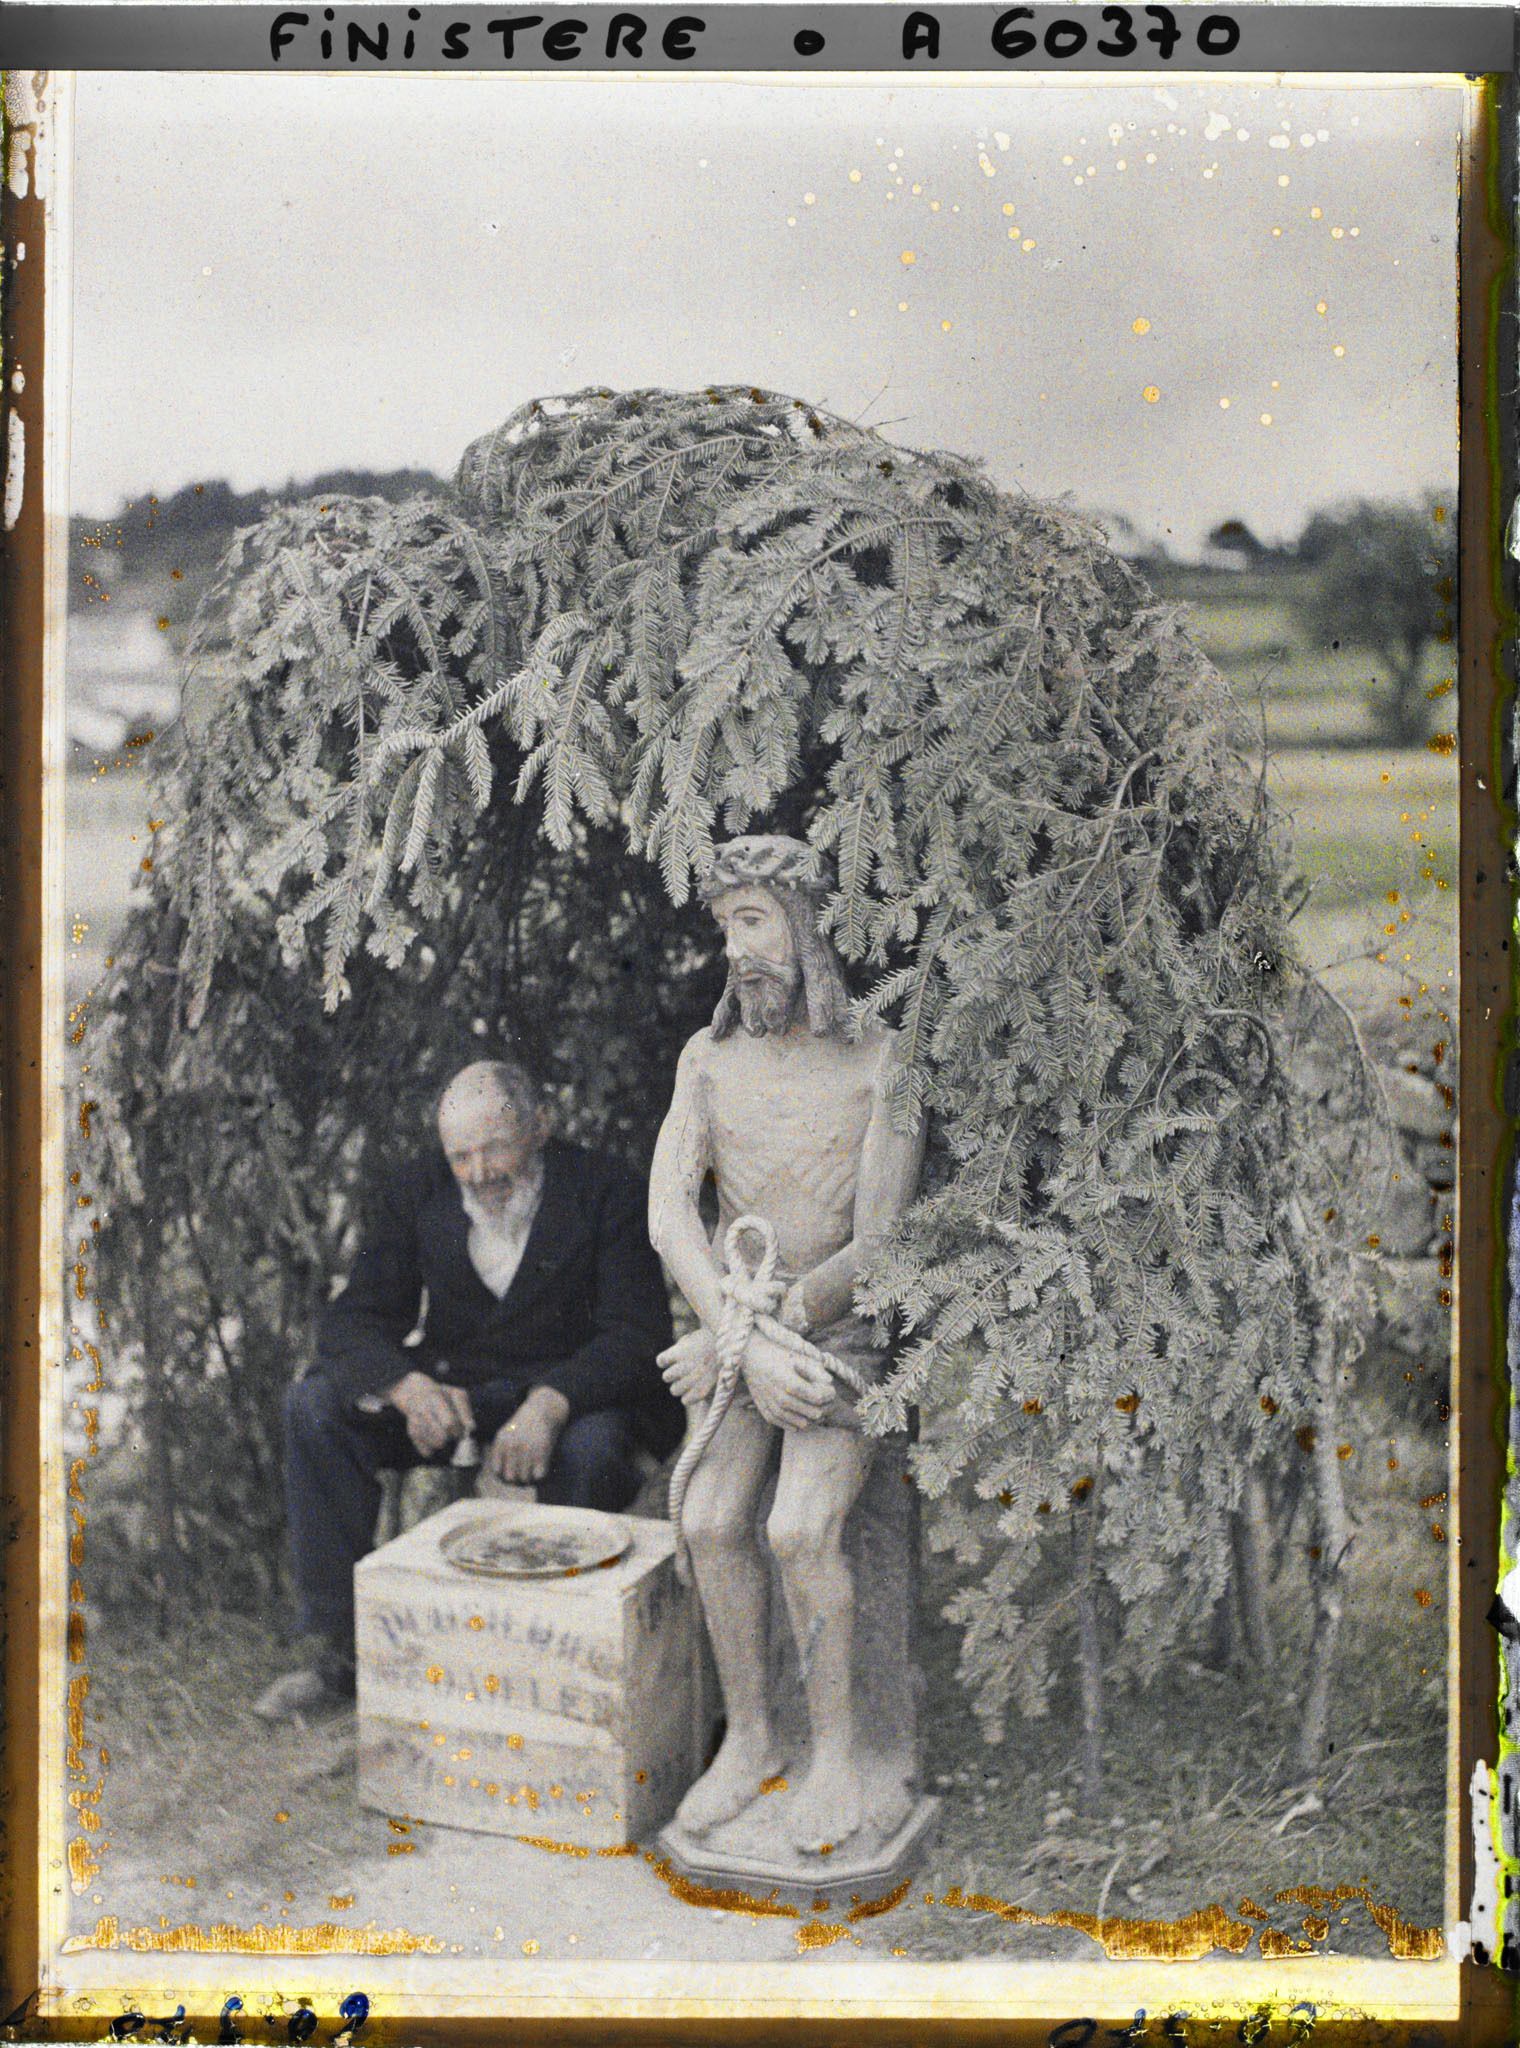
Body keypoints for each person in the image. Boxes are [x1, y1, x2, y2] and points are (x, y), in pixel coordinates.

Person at [648, 835, 925, 1856]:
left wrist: (775, 1329)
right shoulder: (707, 1061)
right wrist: (735, 1336)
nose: (734, 951)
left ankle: (840, 1757)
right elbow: (669, 1213)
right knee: (713, 1514)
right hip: (738, 1333)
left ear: (808, 926)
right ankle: (754, 1739)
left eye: (752, 922)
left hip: (837, 1338)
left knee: (801, 1525)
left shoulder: (878, 1062)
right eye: (724, 928)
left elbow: (883, 1238)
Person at [254, 1058, 680, 1721]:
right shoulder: (414, 1189)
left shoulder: (608, 1189)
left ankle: (557, 1670)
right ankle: (342, 1663)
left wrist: (550, 1404)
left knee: (595, 1454)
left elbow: (637, 1334)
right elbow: (354, 1319)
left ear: (541, 1126)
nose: (480, 1172)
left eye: (495, 1148)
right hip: (460, 1393)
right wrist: (405, 1385)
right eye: (461, 1156)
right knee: (316, 1407)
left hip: (574, 1398)